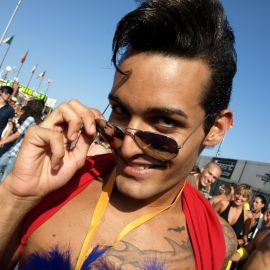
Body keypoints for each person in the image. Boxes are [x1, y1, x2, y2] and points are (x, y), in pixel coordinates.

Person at [0, 0, 238, 269]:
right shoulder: (58, 185)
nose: (126, 149)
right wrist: (17, 195)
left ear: (215, 130)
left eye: (164, 121)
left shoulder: (214, 243)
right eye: (120, 111)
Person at [0, 99, 44, 181]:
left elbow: (17, 134)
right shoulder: (40, 123)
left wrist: (2, 142)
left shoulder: (30, 119)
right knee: (6, 176)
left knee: (3, 174)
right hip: (22, 154)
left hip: (14, 152)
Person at [0, 86, 15, 155]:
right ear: (1, 92)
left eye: (10, 93)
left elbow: (10, 126)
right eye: (6, 93)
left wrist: (4, 140)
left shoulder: (10, 110)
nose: (8, 95)